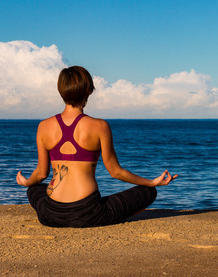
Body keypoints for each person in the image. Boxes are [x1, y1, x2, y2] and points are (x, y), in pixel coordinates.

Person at [16, 66, 177, 228]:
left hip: (51, 215)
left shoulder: (44, 126)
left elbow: (41, 173)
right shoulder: (100, 126)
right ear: (88, 91)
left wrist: (26, 182)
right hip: (89, 214)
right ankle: (121, 213)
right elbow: (116, 172)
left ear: (61, 91)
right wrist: (151, 183)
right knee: (148, 192)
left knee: (33, 189)